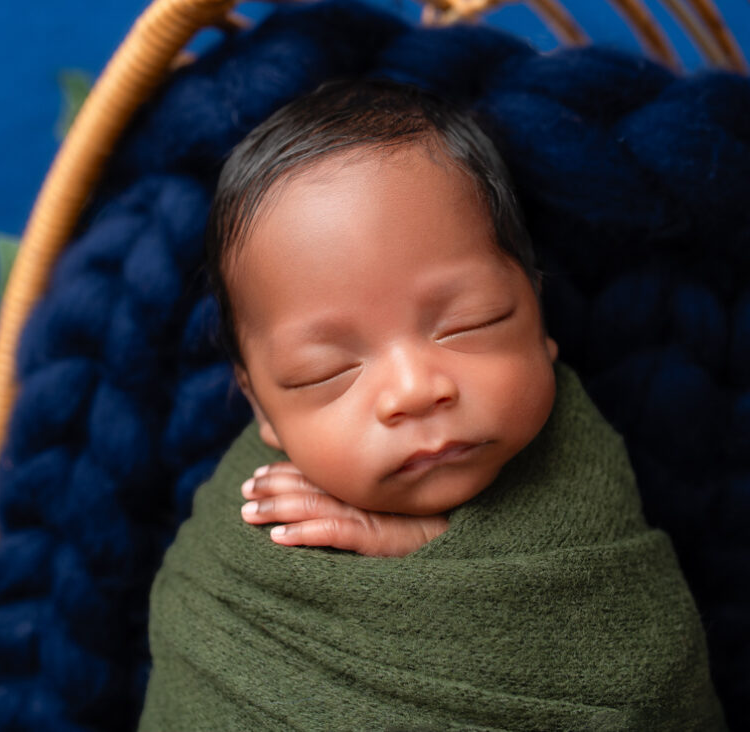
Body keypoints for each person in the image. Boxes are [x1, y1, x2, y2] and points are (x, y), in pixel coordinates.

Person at [139, 79, 724, 730]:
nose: (415, 389)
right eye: (324, 371)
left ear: (537, 314)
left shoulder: (583, 462)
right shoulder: (238, 566)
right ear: (264, 410)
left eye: (470, 323)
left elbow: (636, 650)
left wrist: (429, 547)